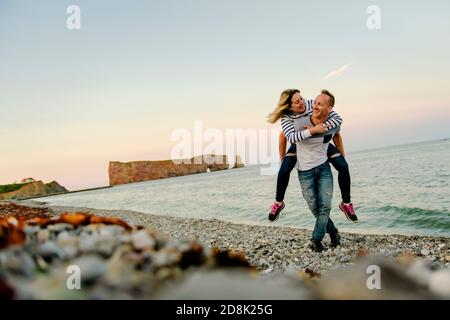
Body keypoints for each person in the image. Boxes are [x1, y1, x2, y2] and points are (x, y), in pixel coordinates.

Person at [266, 89, 357, 223]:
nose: (302, 102)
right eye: (297, 102)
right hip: (300, 145)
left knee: (343, 166)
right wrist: (283, 156)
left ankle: (346, 203)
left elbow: (338, 120)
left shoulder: (311, 104)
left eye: (301, 98)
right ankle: (279, 203)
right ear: (288, 106)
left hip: (322, 143)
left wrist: (321, 128)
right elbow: (289, 136)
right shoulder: (286, 118)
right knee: (284, 169)